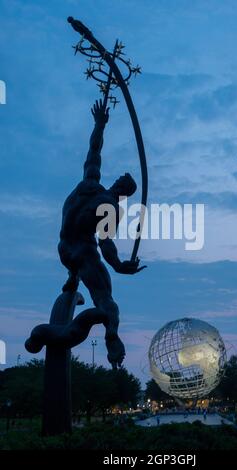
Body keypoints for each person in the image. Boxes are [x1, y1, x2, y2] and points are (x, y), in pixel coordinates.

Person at [26, 100, 146, 368]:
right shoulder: (111, 207)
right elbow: (105, 243)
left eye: (123, 179)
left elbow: (94, 151)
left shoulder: (89, 182)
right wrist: (118, 266)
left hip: (64, 249)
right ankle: (111, 335)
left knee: (85, 266)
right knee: (108, 304)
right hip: (81, 252)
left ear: (120, 185)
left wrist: (100, 124)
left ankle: (72, 279)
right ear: (125, 194)